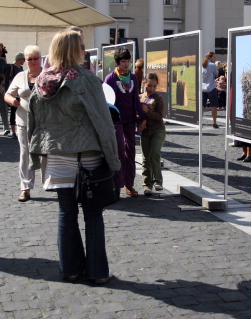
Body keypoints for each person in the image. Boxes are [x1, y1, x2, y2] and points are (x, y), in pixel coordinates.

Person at [28, 30, 119, 284]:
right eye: (82, 46)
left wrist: (35, 157)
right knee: (92, 213)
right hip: (85, 155)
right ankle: (98, 272)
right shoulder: (87, 79)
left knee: (66, 212)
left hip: (55, 156)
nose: (84, 51)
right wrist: (113, 159)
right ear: (74, 49)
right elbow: (103, 122)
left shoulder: (41, 81)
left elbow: (34, 122)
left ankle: (69, 269)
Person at [104, 47, 147, 197]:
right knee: (119, 151)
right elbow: (108, 101)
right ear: (117, 62)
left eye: (128, 61)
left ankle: (129, 184)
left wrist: (142, 117)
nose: (126, 64)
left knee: (131, 152)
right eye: (123, 61)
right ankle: (117, 184)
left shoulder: (134, 77)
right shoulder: (110, 78)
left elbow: (136, 99)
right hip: (116, 120)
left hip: (130, 119)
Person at [4, 46, 42, 202]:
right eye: (29, 59)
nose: (32, 62)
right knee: (25, 154)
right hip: (23, 121)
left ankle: (52, 184)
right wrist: (12, 100)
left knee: (47, 155)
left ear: (40, 59)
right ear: (25, 60)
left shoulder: (48, 75)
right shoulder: (20, 76)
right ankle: (25, 187)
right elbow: (7, 94)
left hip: (44, 123)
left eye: (35, 58)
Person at [139, 72, 166, 196]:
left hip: (158, 129)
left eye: (154, 86)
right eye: (149, 85)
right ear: (144, 83)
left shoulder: (158, 98)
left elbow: (159, 116)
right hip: (145, 131)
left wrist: (147, 112)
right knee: (146, 158)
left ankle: (158, 181)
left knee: (154, 154)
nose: (151, 89)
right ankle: (147, 185)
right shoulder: (139, 97)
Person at [4, 52, 25, 139]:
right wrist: (7, 93)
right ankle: (13, 131)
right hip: (13, 92)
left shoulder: (21, 68)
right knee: (13, 112)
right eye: (24, 59)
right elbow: (6, 80)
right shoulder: (11, 67)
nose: (24, 61)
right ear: (20, 59)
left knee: (20, 110)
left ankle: (20, 129)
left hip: (20, 92)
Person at [202, 51, 219, 128]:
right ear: (209, 57)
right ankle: (214, 122)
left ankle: (200, 121)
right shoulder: (212, 65)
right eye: (214, 57)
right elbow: (216, 74)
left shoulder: (201, 65)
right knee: (214, 106)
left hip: (202, 87)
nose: (215, 58)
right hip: (211, 87)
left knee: (202, 106)